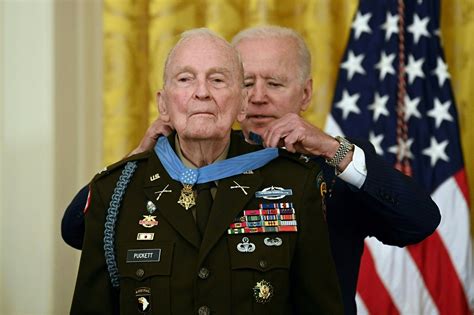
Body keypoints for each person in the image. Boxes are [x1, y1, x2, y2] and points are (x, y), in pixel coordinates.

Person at [64, 26, 441, 314]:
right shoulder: (175, 164)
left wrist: (332, 149)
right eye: (246, 81)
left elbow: (419, 220)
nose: (258, 96)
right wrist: (141, 158)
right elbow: (79, 230)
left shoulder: (320, 171)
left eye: (274, 83)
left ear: (305, 94)